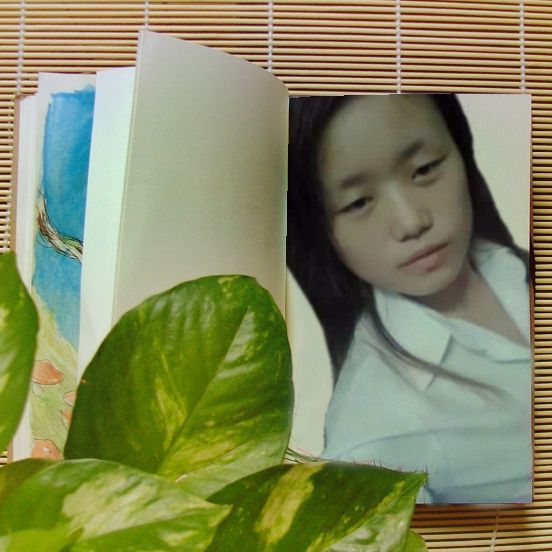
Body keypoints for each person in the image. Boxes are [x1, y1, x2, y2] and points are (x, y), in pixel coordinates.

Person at [287, 94, 532, 504]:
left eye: (425, 169)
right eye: (358, 202)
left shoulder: (512, 262)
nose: (411, 221)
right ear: (320, 233)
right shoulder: (372, 438)